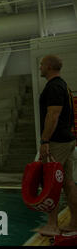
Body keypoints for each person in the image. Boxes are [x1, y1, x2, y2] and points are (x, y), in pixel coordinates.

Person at [36, 55, 77, 236]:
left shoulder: (53, 87)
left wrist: (45, 140)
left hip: (57, 141)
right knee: (68, 182)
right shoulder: (64, 86)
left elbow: (53, 115)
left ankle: (52, 225)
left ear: (50, 66)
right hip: (68, 139)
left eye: (42, 64)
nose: (40, 67)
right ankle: (74, 222)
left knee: (51, 183)